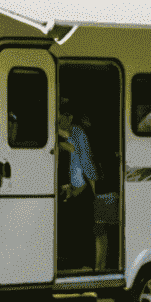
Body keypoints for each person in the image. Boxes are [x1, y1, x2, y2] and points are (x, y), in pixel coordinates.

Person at [58, 99, 96, 271]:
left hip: (79, 188)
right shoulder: (58, 135)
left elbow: (86, 161)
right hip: (66, 188)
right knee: (69, 229)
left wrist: (93, 187)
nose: (58, 122)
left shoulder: (78, 133)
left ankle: (85, 264)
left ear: (69, 117)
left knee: (82, 228)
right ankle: (72, 263)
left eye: (60, 119)